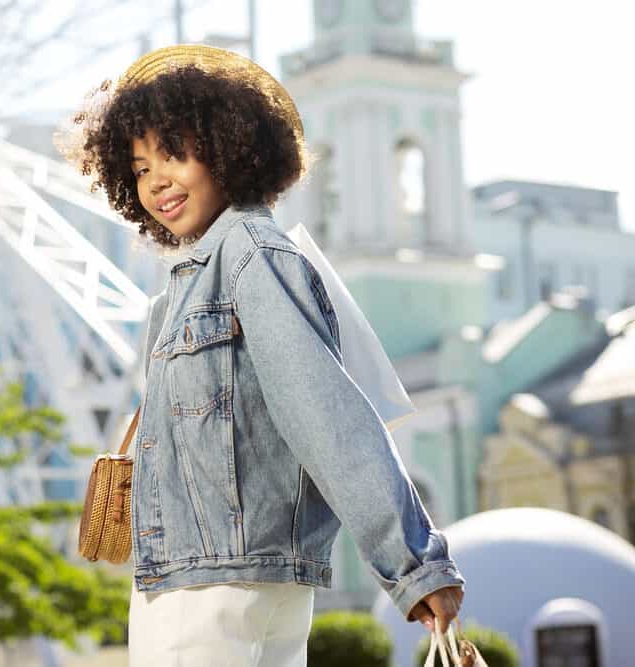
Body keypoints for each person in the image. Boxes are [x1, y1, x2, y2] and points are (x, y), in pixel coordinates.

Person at [57, 44, 465, 666]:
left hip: (213, 586)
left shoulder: (249, 256)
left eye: (174, 153)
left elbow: (324, 413)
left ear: (228, 146)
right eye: (139, 168)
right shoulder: (187, 284)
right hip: (215, 576)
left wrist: (413, 565)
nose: (156, 180)